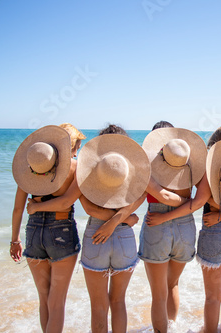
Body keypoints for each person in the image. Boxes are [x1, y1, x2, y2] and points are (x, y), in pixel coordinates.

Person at [27, 124, 150, 333]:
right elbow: (142, 196)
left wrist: (110, 223)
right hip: (125, 237)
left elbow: (89, 209)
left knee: (98, 306)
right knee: (119, 301)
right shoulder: (135, 170)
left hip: (96, 236)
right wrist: (121, 220)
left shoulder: (88, 170)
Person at [147, 125, 221, 333]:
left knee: (213, 297)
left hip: (214, 230)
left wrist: (219, 215)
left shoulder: (210, 170)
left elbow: (199, 201)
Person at [10, 124, 85, 333]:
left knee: (44, 298)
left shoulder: (31, 168)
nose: (78, 150)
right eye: (77, 145)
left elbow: (18, 209)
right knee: (57, 300)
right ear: (71, 145)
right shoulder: (76, 167)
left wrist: (15, 240)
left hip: (33, 231)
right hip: (61, 231)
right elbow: (65, 202)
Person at [139, 122, 207, 332]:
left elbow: (162, 195)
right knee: (173, 285)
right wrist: (189, 203)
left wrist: (162, 218)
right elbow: (201, 200)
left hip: (156, 221)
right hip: (186, 226)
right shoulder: (194, 165)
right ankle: (173, 327)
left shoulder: (147, 166)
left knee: (158, 294)